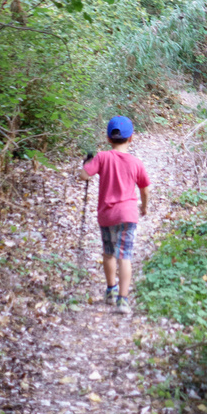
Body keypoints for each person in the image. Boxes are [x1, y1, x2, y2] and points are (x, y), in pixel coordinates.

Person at [79, 116, 151, 315]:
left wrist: (88, 163)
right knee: (124, 256)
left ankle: (110, 290)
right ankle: (123, 299)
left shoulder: (102, 157)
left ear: (108, 138)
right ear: (131, 138)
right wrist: (144, 208)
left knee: (109, 253)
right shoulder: (136, 162)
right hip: (127, 215)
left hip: (106, 215)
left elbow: (84, 175)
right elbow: (145, 189)